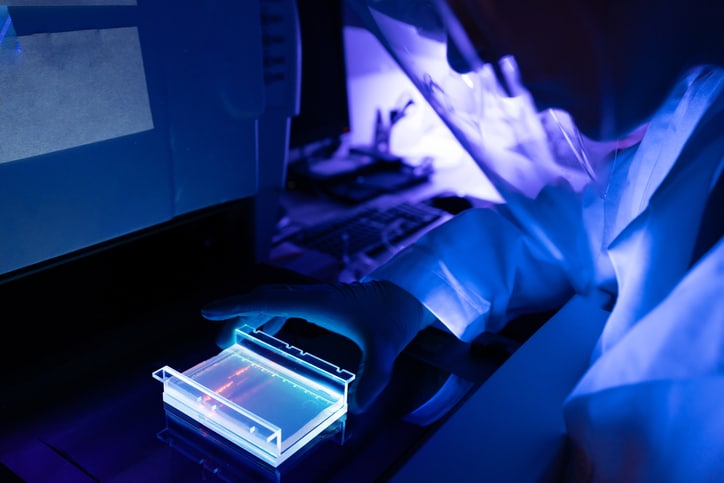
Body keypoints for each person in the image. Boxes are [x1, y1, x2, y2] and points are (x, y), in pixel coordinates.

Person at [202, 0, 724, 480]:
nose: (460, 59)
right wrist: (400, 298)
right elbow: (585, 235)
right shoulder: (702, 109)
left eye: (470, 6)